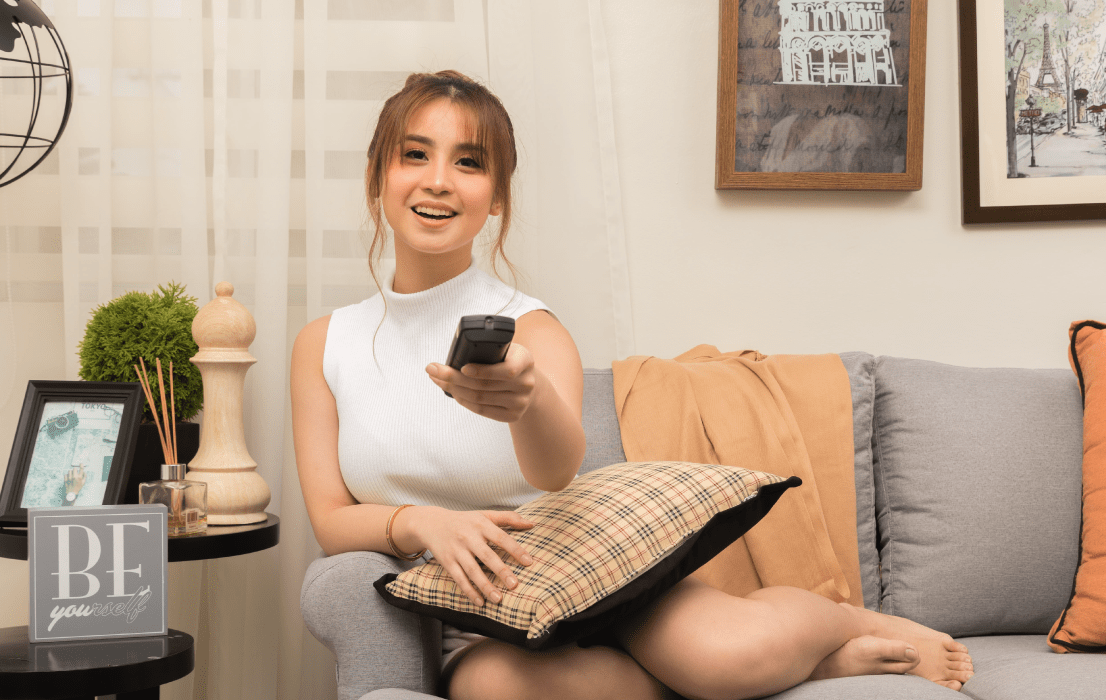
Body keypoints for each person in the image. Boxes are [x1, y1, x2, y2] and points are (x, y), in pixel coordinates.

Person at [291, 70, 974, 700]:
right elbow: (329, 517)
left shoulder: (532, 330)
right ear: (378, 174)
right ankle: (785, 675)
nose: (439, 180)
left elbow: (556, 472)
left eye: (469, 162)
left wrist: (526, 403)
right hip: (477, 613)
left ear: (496, 196)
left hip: (596, 569)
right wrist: (422, 523)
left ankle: (840, 621)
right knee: (492, 690)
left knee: (723, 657)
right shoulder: (326, 343)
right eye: (415, 155)